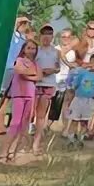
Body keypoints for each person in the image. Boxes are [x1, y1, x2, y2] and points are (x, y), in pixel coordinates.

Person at [0, 40, 41, 162]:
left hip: (30, 94)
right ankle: (3, 151)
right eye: (29, 48)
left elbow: (39, 76)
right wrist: (31, 74)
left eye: (33, 48)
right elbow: (20, 70)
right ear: (24, 49)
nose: (31, 50)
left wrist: (29, 75)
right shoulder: (19, 60)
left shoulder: (35, 63)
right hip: (19, 94)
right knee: (14, 123)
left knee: (24, 124)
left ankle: (13, 151)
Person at [63, 53, 94, 146]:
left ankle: (80, 139)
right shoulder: (83, 73)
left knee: (84, 121)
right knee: (74, 119)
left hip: (89, 101)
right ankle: (71, 139)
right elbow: (75, 85)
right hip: (78, 99)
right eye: (91, 61)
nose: (93, 64)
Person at [33, 24, 61, 155]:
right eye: (44, 34)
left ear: (52, 36)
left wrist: (52, 70)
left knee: (41, 115)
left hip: (48, 84)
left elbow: (58, 67)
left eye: (49, 34)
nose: (46, 37)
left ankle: (36, 143)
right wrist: (40, 72)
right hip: (35, 83)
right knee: (29, 114)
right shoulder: (35, 50)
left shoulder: (56, 51)